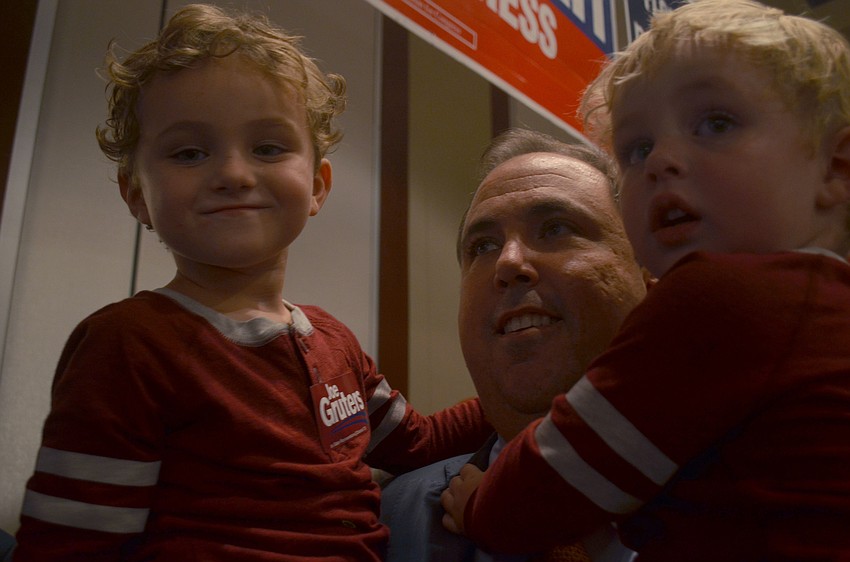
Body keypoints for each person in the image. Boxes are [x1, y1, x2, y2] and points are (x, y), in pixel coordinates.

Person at [13, 5, 492, 561]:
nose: (234, 174)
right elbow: (67, 545)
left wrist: (556, 388)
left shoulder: (335, 343)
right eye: (190, 152)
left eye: (268, 147)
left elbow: (421, 444)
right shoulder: (127, 345)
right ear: (136, 193)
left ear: (316, 185)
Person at [441, 0, 850, 559]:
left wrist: (482, 505)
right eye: (638, 148)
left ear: (835, 168)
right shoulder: (814, 308)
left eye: (715, 123)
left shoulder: (717, 297)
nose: (663, 160)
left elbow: (547, 485)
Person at [381, 128, 647, 561]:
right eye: (482, 246)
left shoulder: (760, 490)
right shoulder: (390, 524)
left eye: (556, 228)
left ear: (649, 276)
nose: (507, 262)